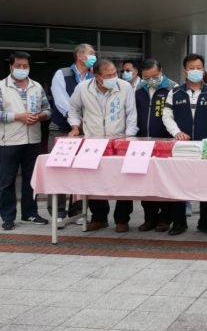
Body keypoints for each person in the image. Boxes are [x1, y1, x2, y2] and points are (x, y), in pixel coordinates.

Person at [68, 58, 138, 232]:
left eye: (115, 73)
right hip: (93, 140)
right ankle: (99, 217)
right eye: (108, 75)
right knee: (94, 180)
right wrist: (75, 126)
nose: (113, 77)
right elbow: (73, 108)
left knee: (124, 180)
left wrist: (129, 136)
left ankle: (122, 219)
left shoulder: (124, 87)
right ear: (97, 76)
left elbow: (131, 113)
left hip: (119, 139)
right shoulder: (83, 88)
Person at [162, 53, 207, 236]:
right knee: (178, 184)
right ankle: (179, 223)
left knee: (206, 185)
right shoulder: (175, 92)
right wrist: (176, 132)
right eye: (191, 68)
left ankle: (206, 222)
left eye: (199, 68)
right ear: (185, 71)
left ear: (203, 70)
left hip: (205, 146)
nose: (195, 71)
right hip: (181, 147)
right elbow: (166, 116)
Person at [0, 51, 52, 230]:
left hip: (33, 140)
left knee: (31, 179)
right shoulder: (1, 87)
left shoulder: (36, 86)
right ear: (11, 67)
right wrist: (17, 116)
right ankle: (8, 216)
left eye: (25, 66)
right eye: (18, 66)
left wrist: (40, 116)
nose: (22, 69)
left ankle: (30, 212)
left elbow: (48, 109)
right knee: (7, 180)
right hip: (9, 141)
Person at [47, 43, 96, 226]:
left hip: (87, 129)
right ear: (80, 55)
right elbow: (61, 101)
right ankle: (57, 211)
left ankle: (77, 210)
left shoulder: (94, 75)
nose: (93, 56)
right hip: (61, 128)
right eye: (91, 53)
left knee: (81, 170)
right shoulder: (63, 74)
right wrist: (74, 119)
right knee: (59, 168)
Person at [134, 59, 175, 232]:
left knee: (165, 182)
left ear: (161, 71)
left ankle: (165, 218)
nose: (150, 80)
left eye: (154, 76)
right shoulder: (138, 89)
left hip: (165, 142)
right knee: (145, 182)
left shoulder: (172, 87)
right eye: (146, 77)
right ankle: (149, 217)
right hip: (142, 142)